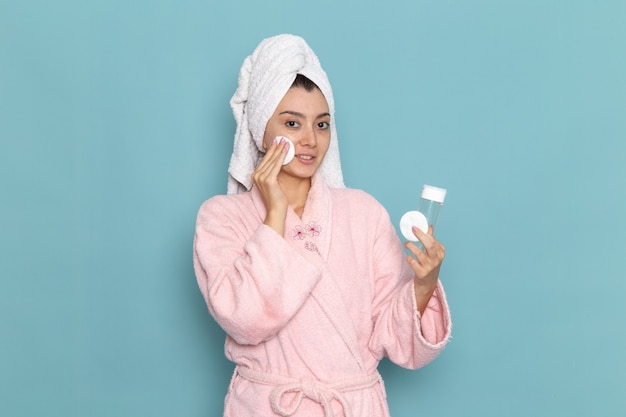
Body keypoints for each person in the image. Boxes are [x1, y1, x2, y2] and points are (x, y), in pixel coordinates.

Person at [193, 34, 451, 417]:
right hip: (268, 406)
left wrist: (424, 284)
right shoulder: (221, 218)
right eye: (292, 123)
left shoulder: (364, 213)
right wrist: (274, 215)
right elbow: (244, 320)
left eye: (322, 124)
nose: (310, 140)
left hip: (351, 405)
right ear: (260, 127)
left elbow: (395, 340)